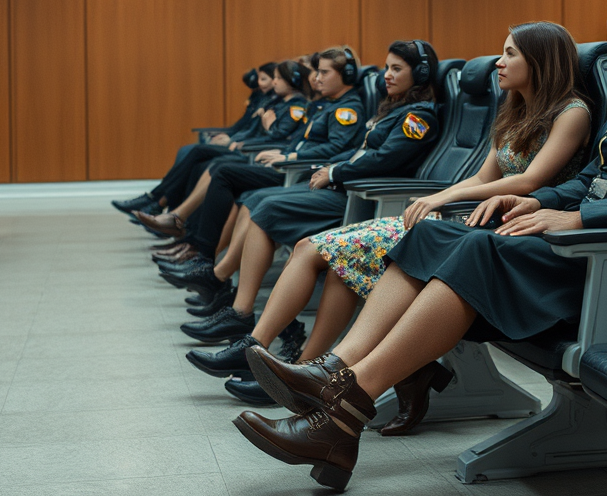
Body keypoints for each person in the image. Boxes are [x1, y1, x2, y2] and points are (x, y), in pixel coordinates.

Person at [232, 0, 607, 492]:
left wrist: (581, 218)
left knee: (478, 251)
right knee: (431, 236)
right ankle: (336, 370)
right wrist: (537, 199)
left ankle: (343, 406)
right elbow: (592, 181)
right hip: (588, 253)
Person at [189, 23, 593, 415]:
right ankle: (305, 373)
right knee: (328, 259)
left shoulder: (572, 112)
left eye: (509, 53)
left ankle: (304, 374)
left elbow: (529, 179)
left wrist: (443, 197)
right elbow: (482, 177)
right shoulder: (513, 112)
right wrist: (442, 196)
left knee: (324, 253)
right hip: (470, 219)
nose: (498, 63)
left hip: (501, 229)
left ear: (540, 60)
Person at [177, 41, 444, 345]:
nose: (387, 75)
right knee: (255, 199)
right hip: (350, 189)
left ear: (421, 73)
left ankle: (236, 304)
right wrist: (334, 168)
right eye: (386, 67)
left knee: (264, 205)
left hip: (364, 200)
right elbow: (360, 154)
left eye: (397, 68)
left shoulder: (419, 117)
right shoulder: (395, 108)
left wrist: (334, 171)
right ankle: (235, 302)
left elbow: (384, 160)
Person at [156, 48, 367, 275]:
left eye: (324, 73)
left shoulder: (347, 108)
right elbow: (298, 141)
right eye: (317, 72)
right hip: (290, 165)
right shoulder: (327, 104)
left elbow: (335, 148)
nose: (316, 78)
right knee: (220, 172)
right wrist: (283, 152)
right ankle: (197, 249)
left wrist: (289, 156)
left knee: (223, 172)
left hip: (299, 171)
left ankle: (201, 253)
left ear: (345, 76)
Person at [135, 60, 314, 237]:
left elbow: (278, 135)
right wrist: (233, 139)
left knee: (212, 163)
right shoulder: (278, 102)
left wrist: (265, 124)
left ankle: (176, 222)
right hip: (257, 151)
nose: (274, 82)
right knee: (202, 161)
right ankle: (176, 223)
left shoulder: (297, 106)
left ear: (292, 81)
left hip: (262, 156)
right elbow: (248, 129)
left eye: (278, 78)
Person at [111, 63, 276, 217]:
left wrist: (235, 140)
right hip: (242, 144)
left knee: (202, 158)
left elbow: (271, 136)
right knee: (188, 152)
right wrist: (230, 137)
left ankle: (160, 204)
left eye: (267, 79)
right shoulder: (262, 99)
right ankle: (162, 207)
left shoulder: (281, 104)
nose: (262, 83)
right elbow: (243, 126)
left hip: (251, 151)